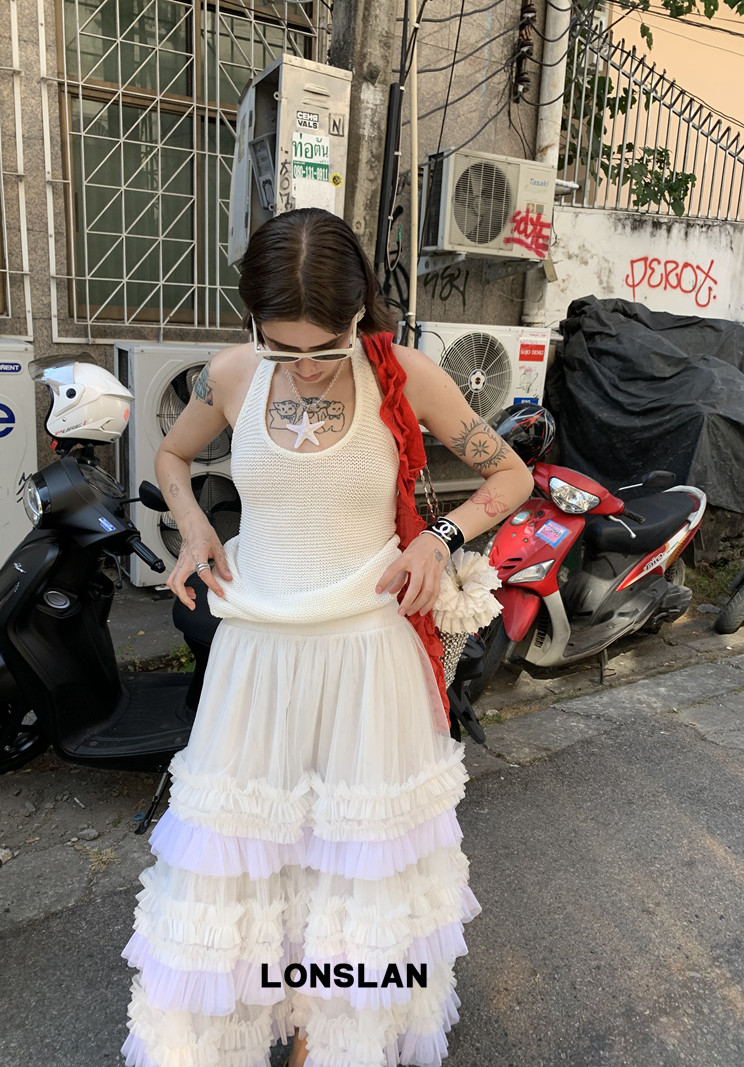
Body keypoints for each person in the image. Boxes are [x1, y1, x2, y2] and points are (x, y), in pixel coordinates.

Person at [120, 207, 534, 1067]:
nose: (305, 368)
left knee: (352, 862)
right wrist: (194, 525)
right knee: (245, 856)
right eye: (282, 347)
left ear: (358, 312)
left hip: (368, 661)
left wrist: (439, 538)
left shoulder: (404, 374)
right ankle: (246, 1018)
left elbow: (511, 473)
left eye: (326, 345)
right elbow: (170, 458)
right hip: (255, 661)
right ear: (252, 323)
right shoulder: (231, 375)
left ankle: (332, 1025)